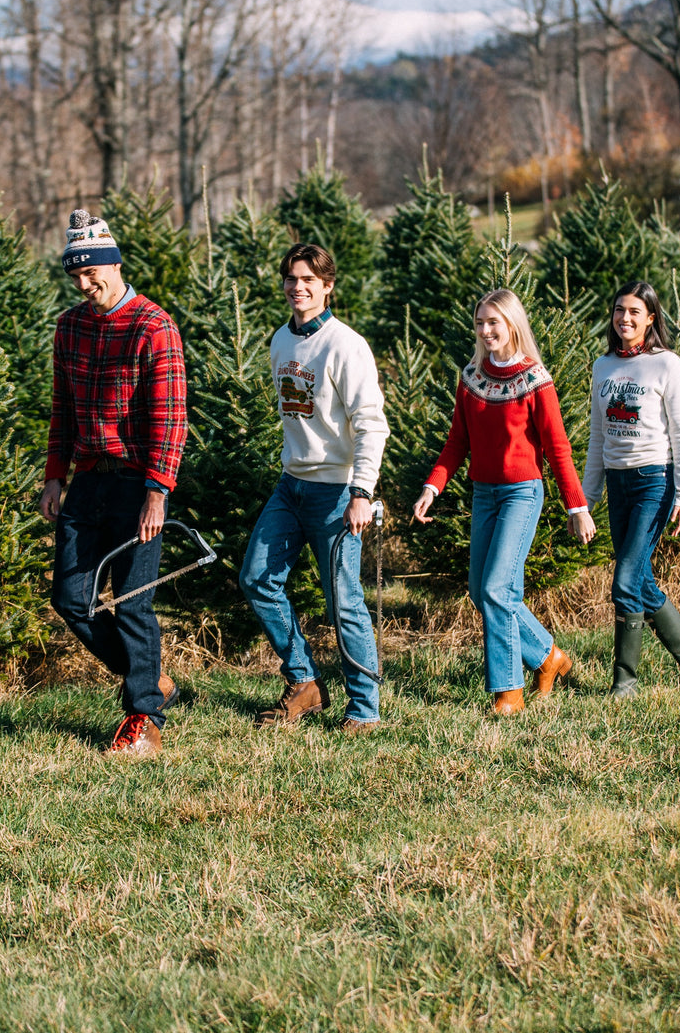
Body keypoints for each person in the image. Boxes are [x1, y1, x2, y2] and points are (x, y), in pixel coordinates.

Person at [39, 209, 188, 756]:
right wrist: (55, 476)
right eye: (75, 276)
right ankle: (148, 678)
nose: (84, 285)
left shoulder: (154, 326)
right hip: (86, 481)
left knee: (131, 601)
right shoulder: (71, 325)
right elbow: (62, 409)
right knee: (70, 599)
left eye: (91, 273)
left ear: (114, 263)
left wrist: (157, 491)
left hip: (136, 483)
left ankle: (143, 718)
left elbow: (171, 416)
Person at [413, 289, 595, 715]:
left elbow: (557, 446)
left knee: (497, 587)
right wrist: (432, 486)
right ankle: (550, 657)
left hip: (522, 493)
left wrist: (577, 505)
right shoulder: (471, 377)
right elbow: (457, 441)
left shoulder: (535, 379)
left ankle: (508, 690)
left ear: (512, 324)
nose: (485, 330)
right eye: (480, 323)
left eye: (493, 322)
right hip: (484, 493)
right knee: (481, 591)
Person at [240, 243, 389, 734]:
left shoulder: (345, 345)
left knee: (343, 599)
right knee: (257, 578)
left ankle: (364, 707)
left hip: (337, 490)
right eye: (290, 279)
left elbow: (372, 425)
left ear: (328, 286)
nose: (297, 288)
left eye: (308, 280)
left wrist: (361, 493)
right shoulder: (281, 341)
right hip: (291, 486)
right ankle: (304, 680)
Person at [579, 280, 680, 697]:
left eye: (635, 311)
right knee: (641, 581)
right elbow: (598, 434)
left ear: (651, 318)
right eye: (619, 310)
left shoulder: (666, 364)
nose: (625, 318)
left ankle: (625, 681)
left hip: (655, 480)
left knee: (624, 582)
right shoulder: (603, 366)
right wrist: (586, 499)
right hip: (617, 484)